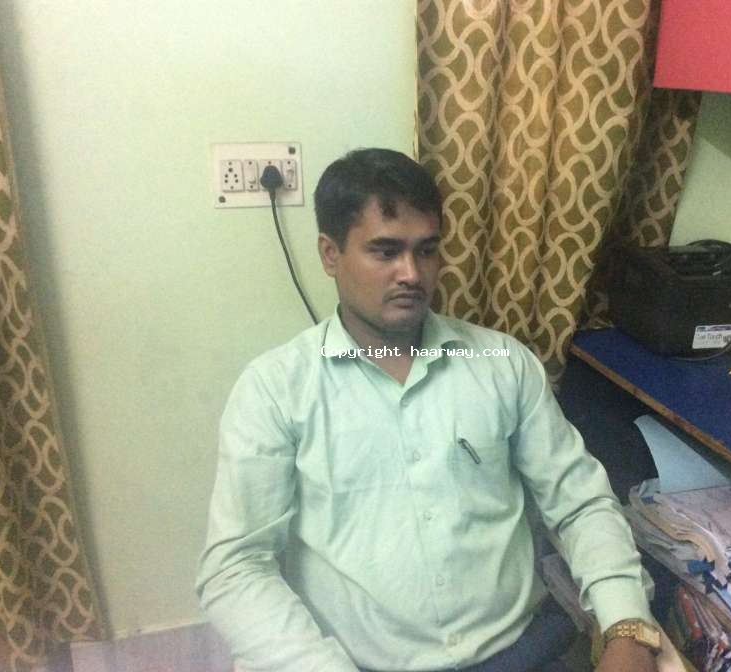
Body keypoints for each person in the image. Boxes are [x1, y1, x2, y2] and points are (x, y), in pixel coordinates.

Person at [196, 148, 660, 672]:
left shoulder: (502, 364)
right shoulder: (275, 390)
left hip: (521, 652)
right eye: (385, 251)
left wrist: (627, 627)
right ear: (330, 254)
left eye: (427, 250)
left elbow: (578, 502)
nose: (411, 274)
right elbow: (236, 566)